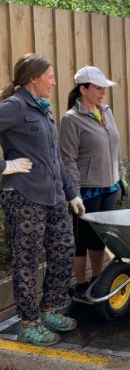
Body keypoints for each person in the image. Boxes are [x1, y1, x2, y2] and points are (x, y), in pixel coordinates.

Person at [0, 53, 84, 346]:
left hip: (53, 197)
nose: (54, 81)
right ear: (33, 79)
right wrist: (5, 166)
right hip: (24, 196)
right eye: (49, 76)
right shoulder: (13, 107)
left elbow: (54, 157)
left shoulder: (43, 110)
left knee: (63, 249)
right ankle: (28, 322)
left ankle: (48, 308)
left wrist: (71, 192)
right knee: (27, 260)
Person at [59, 66, 127, 298]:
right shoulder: (71, 119)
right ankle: (79, 284)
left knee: (100, 237)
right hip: (87, 190)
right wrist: (74, 192)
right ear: (83, 89)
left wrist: (121, 175)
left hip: (110, 186)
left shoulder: (106, 112)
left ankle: (97, 279)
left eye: (104, 88)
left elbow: (115, 147)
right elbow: (67, 159)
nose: (103, 92)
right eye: (98, 88)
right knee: (82, 239)